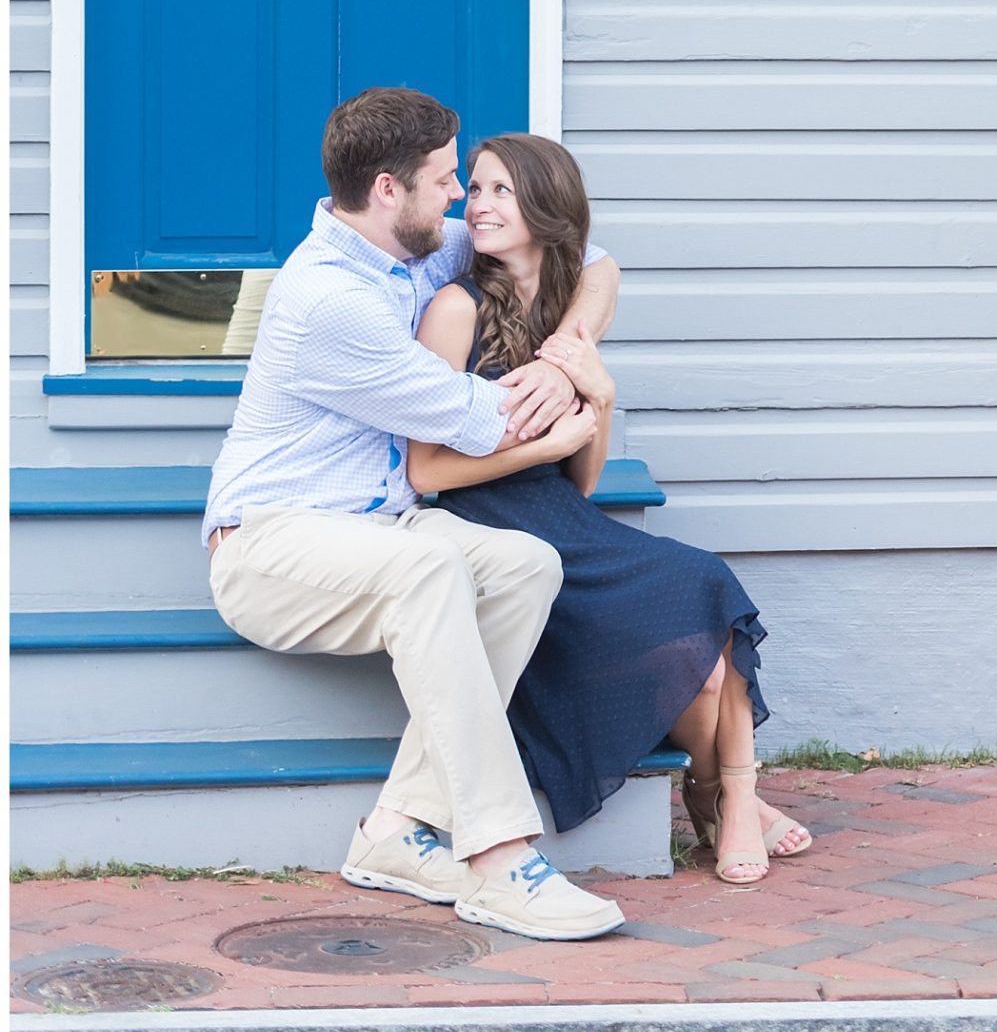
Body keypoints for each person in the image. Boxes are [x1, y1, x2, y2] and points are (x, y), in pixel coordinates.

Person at [202, 86, 628, 942]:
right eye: (444, 181)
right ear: (389, 190)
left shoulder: (409, 251)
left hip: (378, 530)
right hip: (272, 544)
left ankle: (399, 828)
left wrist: (561, 353)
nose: (462, 202)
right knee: (434, 565)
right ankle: (503, 855)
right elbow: (482, 420)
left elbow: (594, 262)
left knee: (525, 564)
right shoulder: (330, 300)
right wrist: (563, 416)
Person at [410, 133, 813, 886]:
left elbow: (582, 479)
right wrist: (543, 444)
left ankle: (724, 792)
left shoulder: (565, 315)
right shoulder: (454, 309)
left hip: (565, 515)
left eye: (500, 190)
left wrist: (599, 395)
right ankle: (726, 799)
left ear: (547, 205)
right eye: (475, 188)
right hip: (490, 528)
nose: (479, 205)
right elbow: (427, 471)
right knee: (691, 650)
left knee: (703, 589)